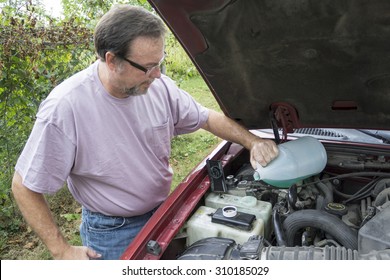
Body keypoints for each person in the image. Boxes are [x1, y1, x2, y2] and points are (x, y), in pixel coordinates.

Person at [11, 4, 279, 260]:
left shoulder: (157, 87)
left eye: (160, 62)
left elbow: (207, 117)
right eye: (148, 67)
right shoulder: (65, 107)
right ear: (112, 60)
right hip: (113, 232)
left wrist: (253, 141)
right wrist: (61, 250)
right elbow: (24, 185)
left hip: (164, 213)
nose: (158, 75)